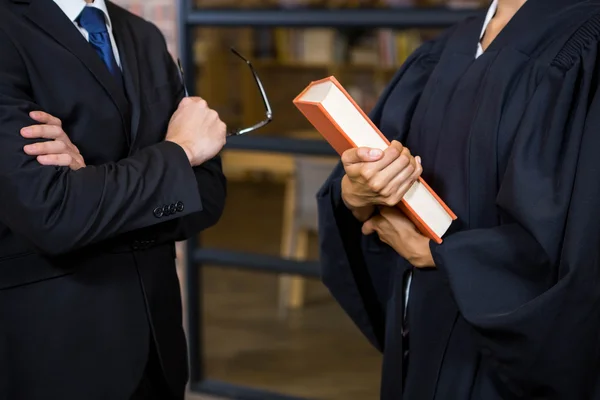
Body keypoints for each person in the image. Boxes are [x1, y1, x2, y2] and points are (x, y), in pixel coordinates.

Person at [317, 0, 600, 398]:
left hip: (504, 364)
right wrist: (357, 193)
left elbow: (586, 238)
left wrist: (444, 256)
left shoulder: (586, 43)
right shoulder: (444, 49)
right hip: (420, 333)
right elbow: (363, 192)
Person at [0, 0, 227, 399]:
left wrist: (89, 188)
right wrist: (180, 152)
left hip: (159, 352)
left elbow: (206, 196)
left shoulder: (144, 36)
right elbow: (52, 215)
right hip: (51, 355)